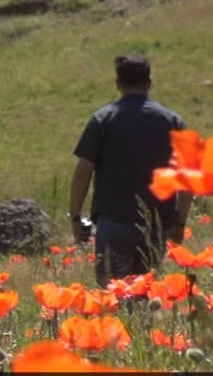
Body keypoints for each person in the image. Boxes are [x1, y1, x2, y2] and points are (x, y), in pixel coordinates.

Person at [69, 54, 193, 288]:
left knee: (113, 294)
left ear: (118, 84)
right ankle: (142, 325)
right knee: (146, 292)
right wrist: (179, 222)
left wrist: (75, 216)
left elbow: (83, 172)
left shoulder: (102, 120)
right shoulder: (172, 121)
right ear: (149, 82)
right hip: (156, 223)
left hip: (114, 221)